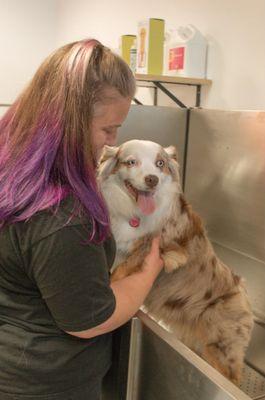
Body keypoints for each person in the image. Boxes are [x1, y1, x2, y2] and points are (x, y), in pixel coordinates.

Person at [0, 39, 163, 400]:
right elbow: (89, 320)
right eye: (108, 130)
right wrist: (147, 270)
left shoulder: (12, 166)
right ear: (67, 123)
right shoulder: (61, 215)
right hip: (45, 384)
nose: (111, 142)